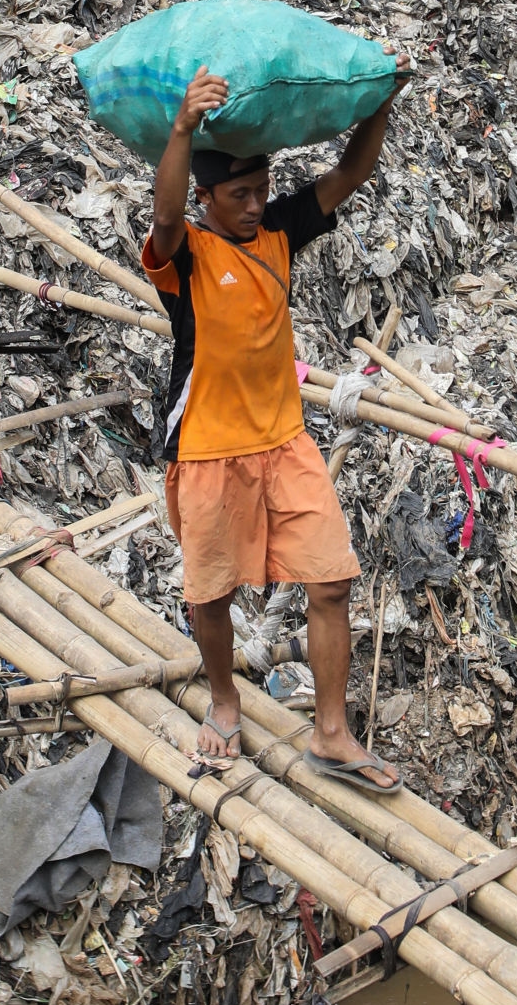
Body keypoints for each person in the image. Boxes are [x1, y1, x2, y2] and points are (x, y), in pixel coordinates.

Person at [143, 62, 411, 790]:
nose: (257, 204)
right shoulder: (188, 255)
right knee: (210, 592)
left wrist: (379, 102)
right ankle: (225, 699)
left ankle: (330, 732)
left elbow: (350, 173)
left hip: (287, 441)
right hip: (207, 447)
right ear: (208, 198)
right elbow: (164, 221)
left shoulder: (280, 231)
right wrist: (182, 125)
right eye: (240, 195)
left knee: (331, 582)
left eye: (262, 190)